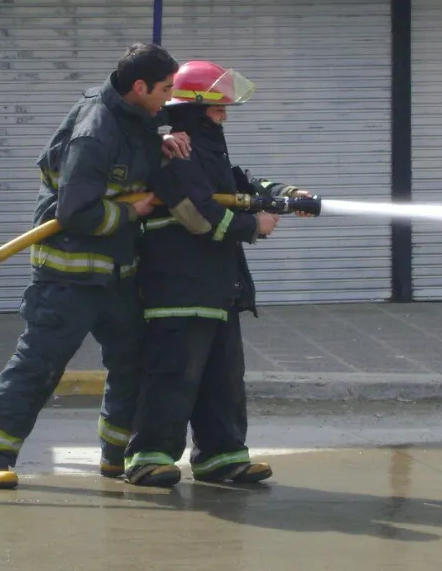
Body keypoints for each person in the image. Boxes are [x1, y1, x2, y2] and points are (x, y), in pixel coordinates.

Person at [0, 43, 192, 490]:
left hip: (117, 275)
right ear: (139, 86)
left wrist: (161, 141)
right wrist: (133, 210)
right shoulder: (95, 129)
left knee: (133, 363)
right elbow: (74, 212)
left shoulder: (138, 119)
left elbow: (136, 157)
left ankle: (115, 455)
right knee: (39, 366)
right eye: (165, 89)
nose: (168, 99)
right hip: (69, 276)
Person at [122, 60, 319, 487]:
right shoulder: (172, 149)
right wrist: (254, 226)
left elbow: (239, 183)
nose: (224, 117)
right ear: (194, 108)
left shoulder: (206, 149)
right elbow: (198, 213)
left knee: (223, 377)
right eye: (217, 109)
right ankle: (148, 457)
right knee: (174, 375)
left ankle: (221, 456)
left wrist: (285, 194)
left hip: (214, 285)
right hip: (178, 285)